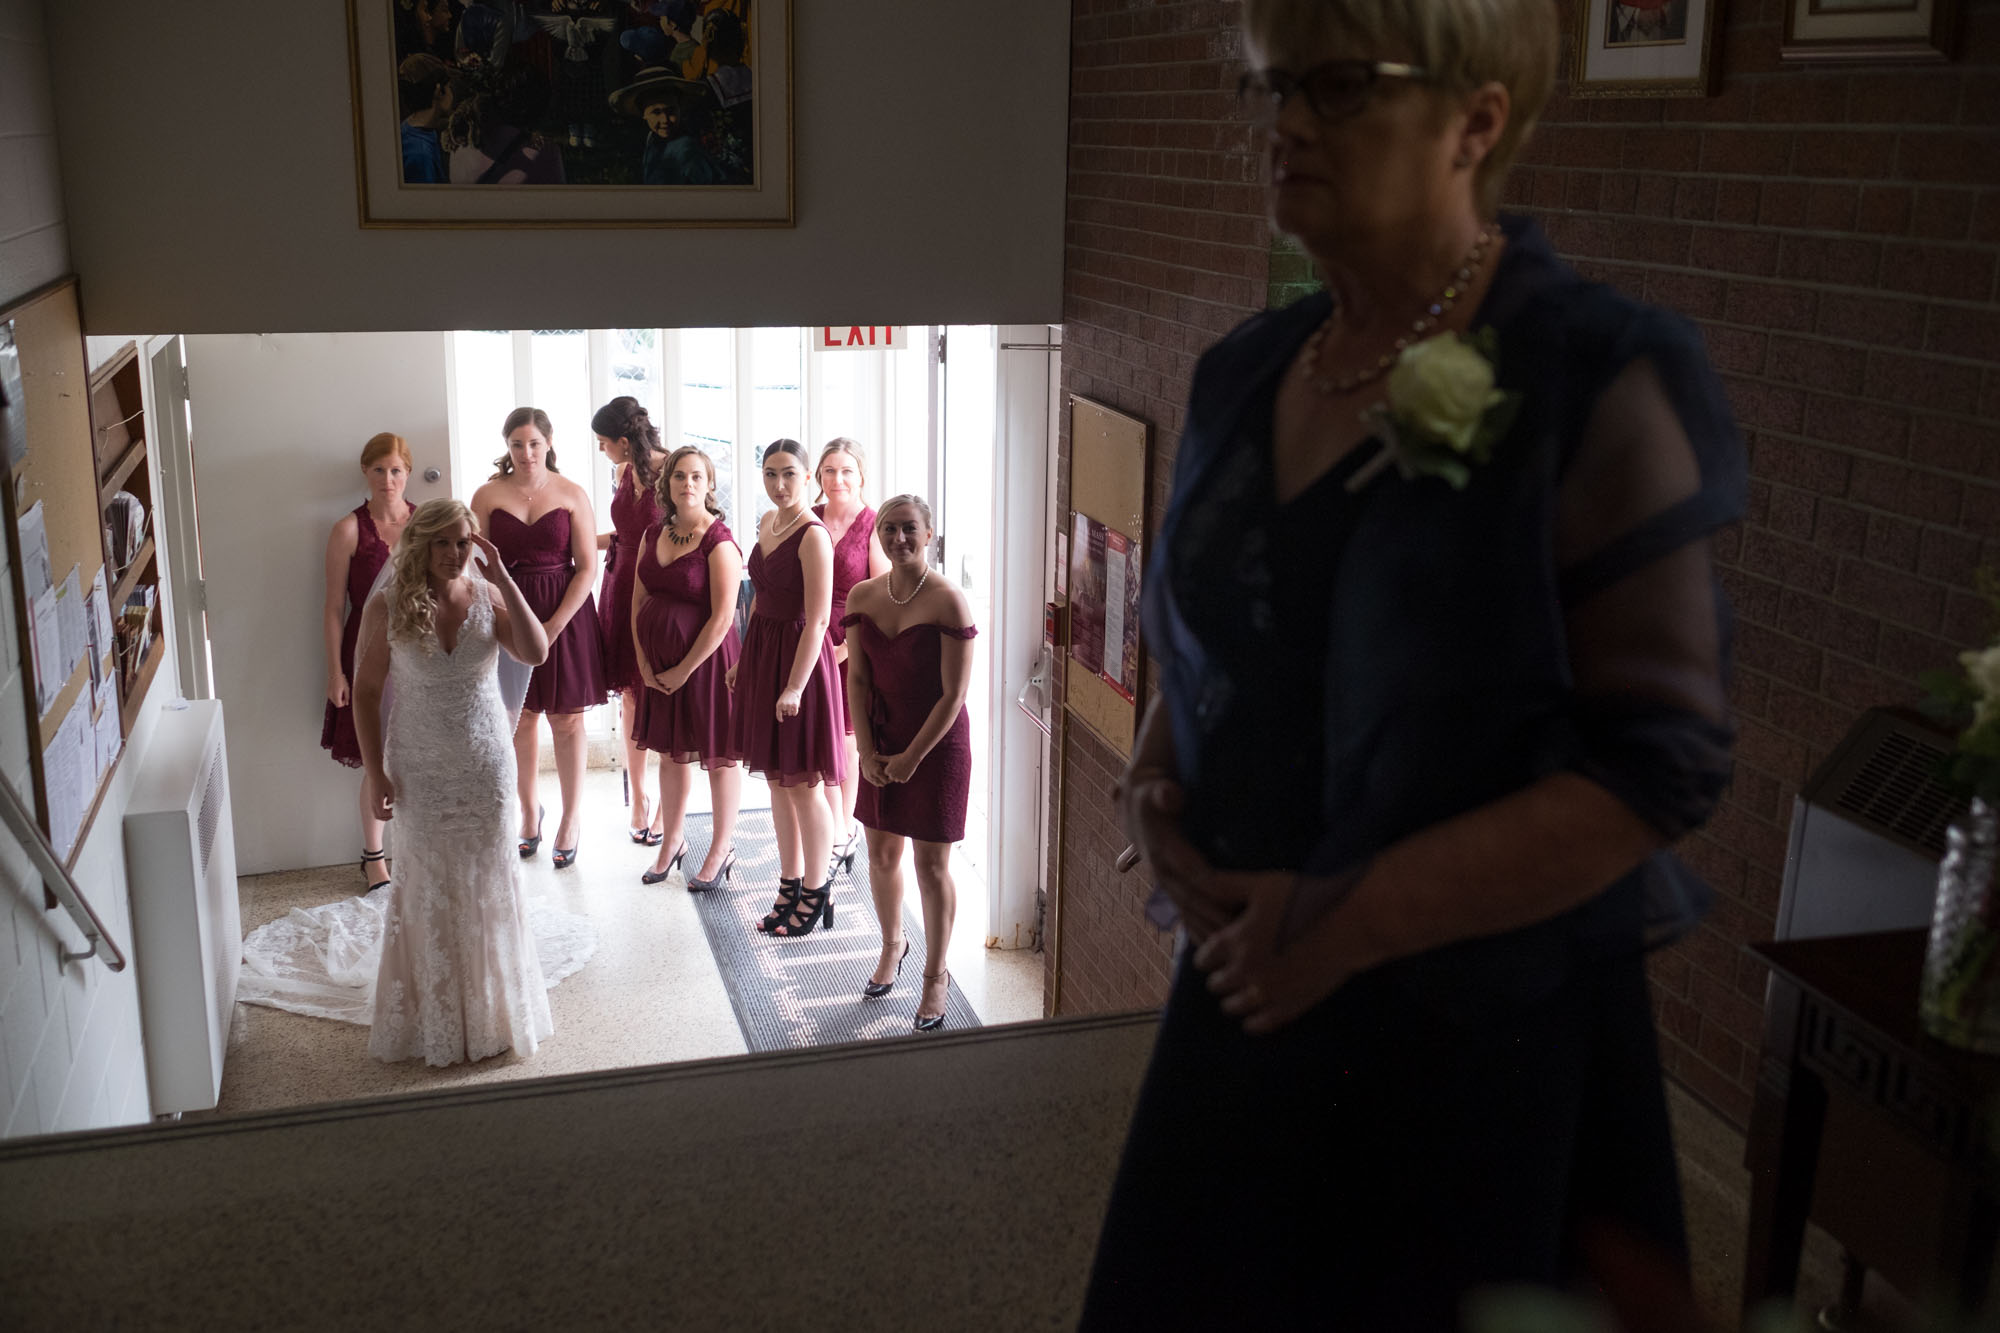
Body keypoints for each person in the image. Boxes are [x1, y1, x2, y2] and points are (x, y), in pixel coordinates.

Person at [1080, 0, 1746, 1325]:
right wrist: (1153, 792)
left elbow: (1658, 766)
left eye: (1334, 88)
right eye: (1269, 93)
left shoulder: (1594, 371)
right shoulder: (1241, 369)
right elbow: (1205, 630)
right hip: (1249, 996)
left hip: (1473, 1024)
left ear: (1476, 120)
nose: (1284, 129)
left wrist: (1344, 926)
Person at [351, 499, 556, 1067]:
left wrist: (505, 576)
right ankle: (434, 1015)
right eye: (441, 542)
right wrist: (375, 772)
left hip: (484, 765)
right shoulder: (389, 606)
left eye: (462, 541)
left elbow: (536, 652)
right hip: (418, 764)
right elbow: (366, 694)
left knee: (489, 879)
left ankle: (493, 1011)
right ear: (420, 544)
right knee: (426, 885)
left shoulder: (490, 597)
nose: (452, 553)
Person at [842, 496, 975, 1032]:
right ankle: (892, 944)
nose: (899, 539)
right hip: (881, 734)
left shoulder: (949, 602)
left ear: (930, 533)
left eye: (910, 530)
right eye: (890, 529)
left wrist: (911, 759)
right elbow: (857, 678)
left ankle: (935, 975)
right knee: (880, 853)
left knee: (932, 865)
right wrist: (867, 751)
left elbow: (953, 696)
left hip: (936, 745)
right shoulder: (863, 595)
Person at [471, 407, 608, 869]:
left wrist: (551, 627)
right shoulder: (487, 495)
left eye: (534, 443)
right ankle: (529, 813)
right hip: (509, 607)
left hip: (564, 611)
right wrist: (507, 618)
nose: (526, 453)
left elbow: (588, 566)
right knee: (520, 718)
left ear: (548, 442)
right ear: (506, 447)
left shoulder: (571, 493)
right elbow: (477, 563)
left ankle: (571, 819)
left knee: (567, 721)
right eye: (517, 444)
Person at [727, 439, 845, 938]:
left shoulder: (813, 535)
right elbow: (757, 600)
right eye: (771, 474)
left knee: (804, 786)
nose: (779, 485)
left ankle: (818, 890)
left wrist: (794, 686)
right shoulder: (766, 523)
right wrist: (744, 659)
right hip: (765, 654)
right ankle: (790, 882)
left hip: (800, 660)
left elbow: (818, 619)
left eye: (789, 475)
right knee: (778, 783)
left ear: (808, 478)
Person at [632, 446, 745, 888]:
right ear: (668, 484)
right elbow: (637, 601)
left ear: (710, 484)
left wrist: (685, 669)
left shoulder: (719, 540)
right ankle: (672, 840)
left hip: (708, 664)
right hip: (657, 665)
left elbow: (723, 618)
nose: (688, 484)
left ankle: (722, 847)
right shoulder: (652, 534)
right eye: (680, 476)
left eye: (697, 476)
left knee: (719, 757)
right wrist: (643, 661)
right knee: (669, 753)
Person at [321, 432, 416, 895]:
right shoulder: (348, 529)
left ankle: (416, 849)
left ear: (408, 474)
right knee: (374, 758)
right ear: (365, 472)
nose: (388, 479)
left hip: (419, 650)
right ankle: (373, 855)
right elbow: (333, 608)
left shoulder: (424, 524)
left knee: (417, 755)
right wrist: (336, 671)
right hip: (366, 649)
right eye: (379, 469)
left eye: (396, 470)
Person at [810, 438, 890, 881]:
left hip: (853, 638)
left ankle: (844, 827)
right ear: (818, 478)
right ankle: (826, 823)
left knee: (847, 738)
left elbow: (881, 593)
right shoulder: (811, 519)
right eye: (828, 471)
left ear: (861, 475)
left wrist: (845, 648)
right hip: (809, 635)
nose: (837, 480)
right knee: (819, 734)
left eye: (846, 471)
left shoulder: (873, 523)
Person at [592, 396, 669, 845]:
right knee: (630, 698)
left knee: (659, 697)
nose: (602, 451)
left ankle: (664, 802)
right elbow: (623, 535)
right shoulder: (623, 471)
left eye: (604, 443)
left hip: (658, 590)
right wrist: (576, 540)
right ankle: (637, 796)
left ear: (622, 441)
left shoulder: (673, 467)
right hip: (620, 586)